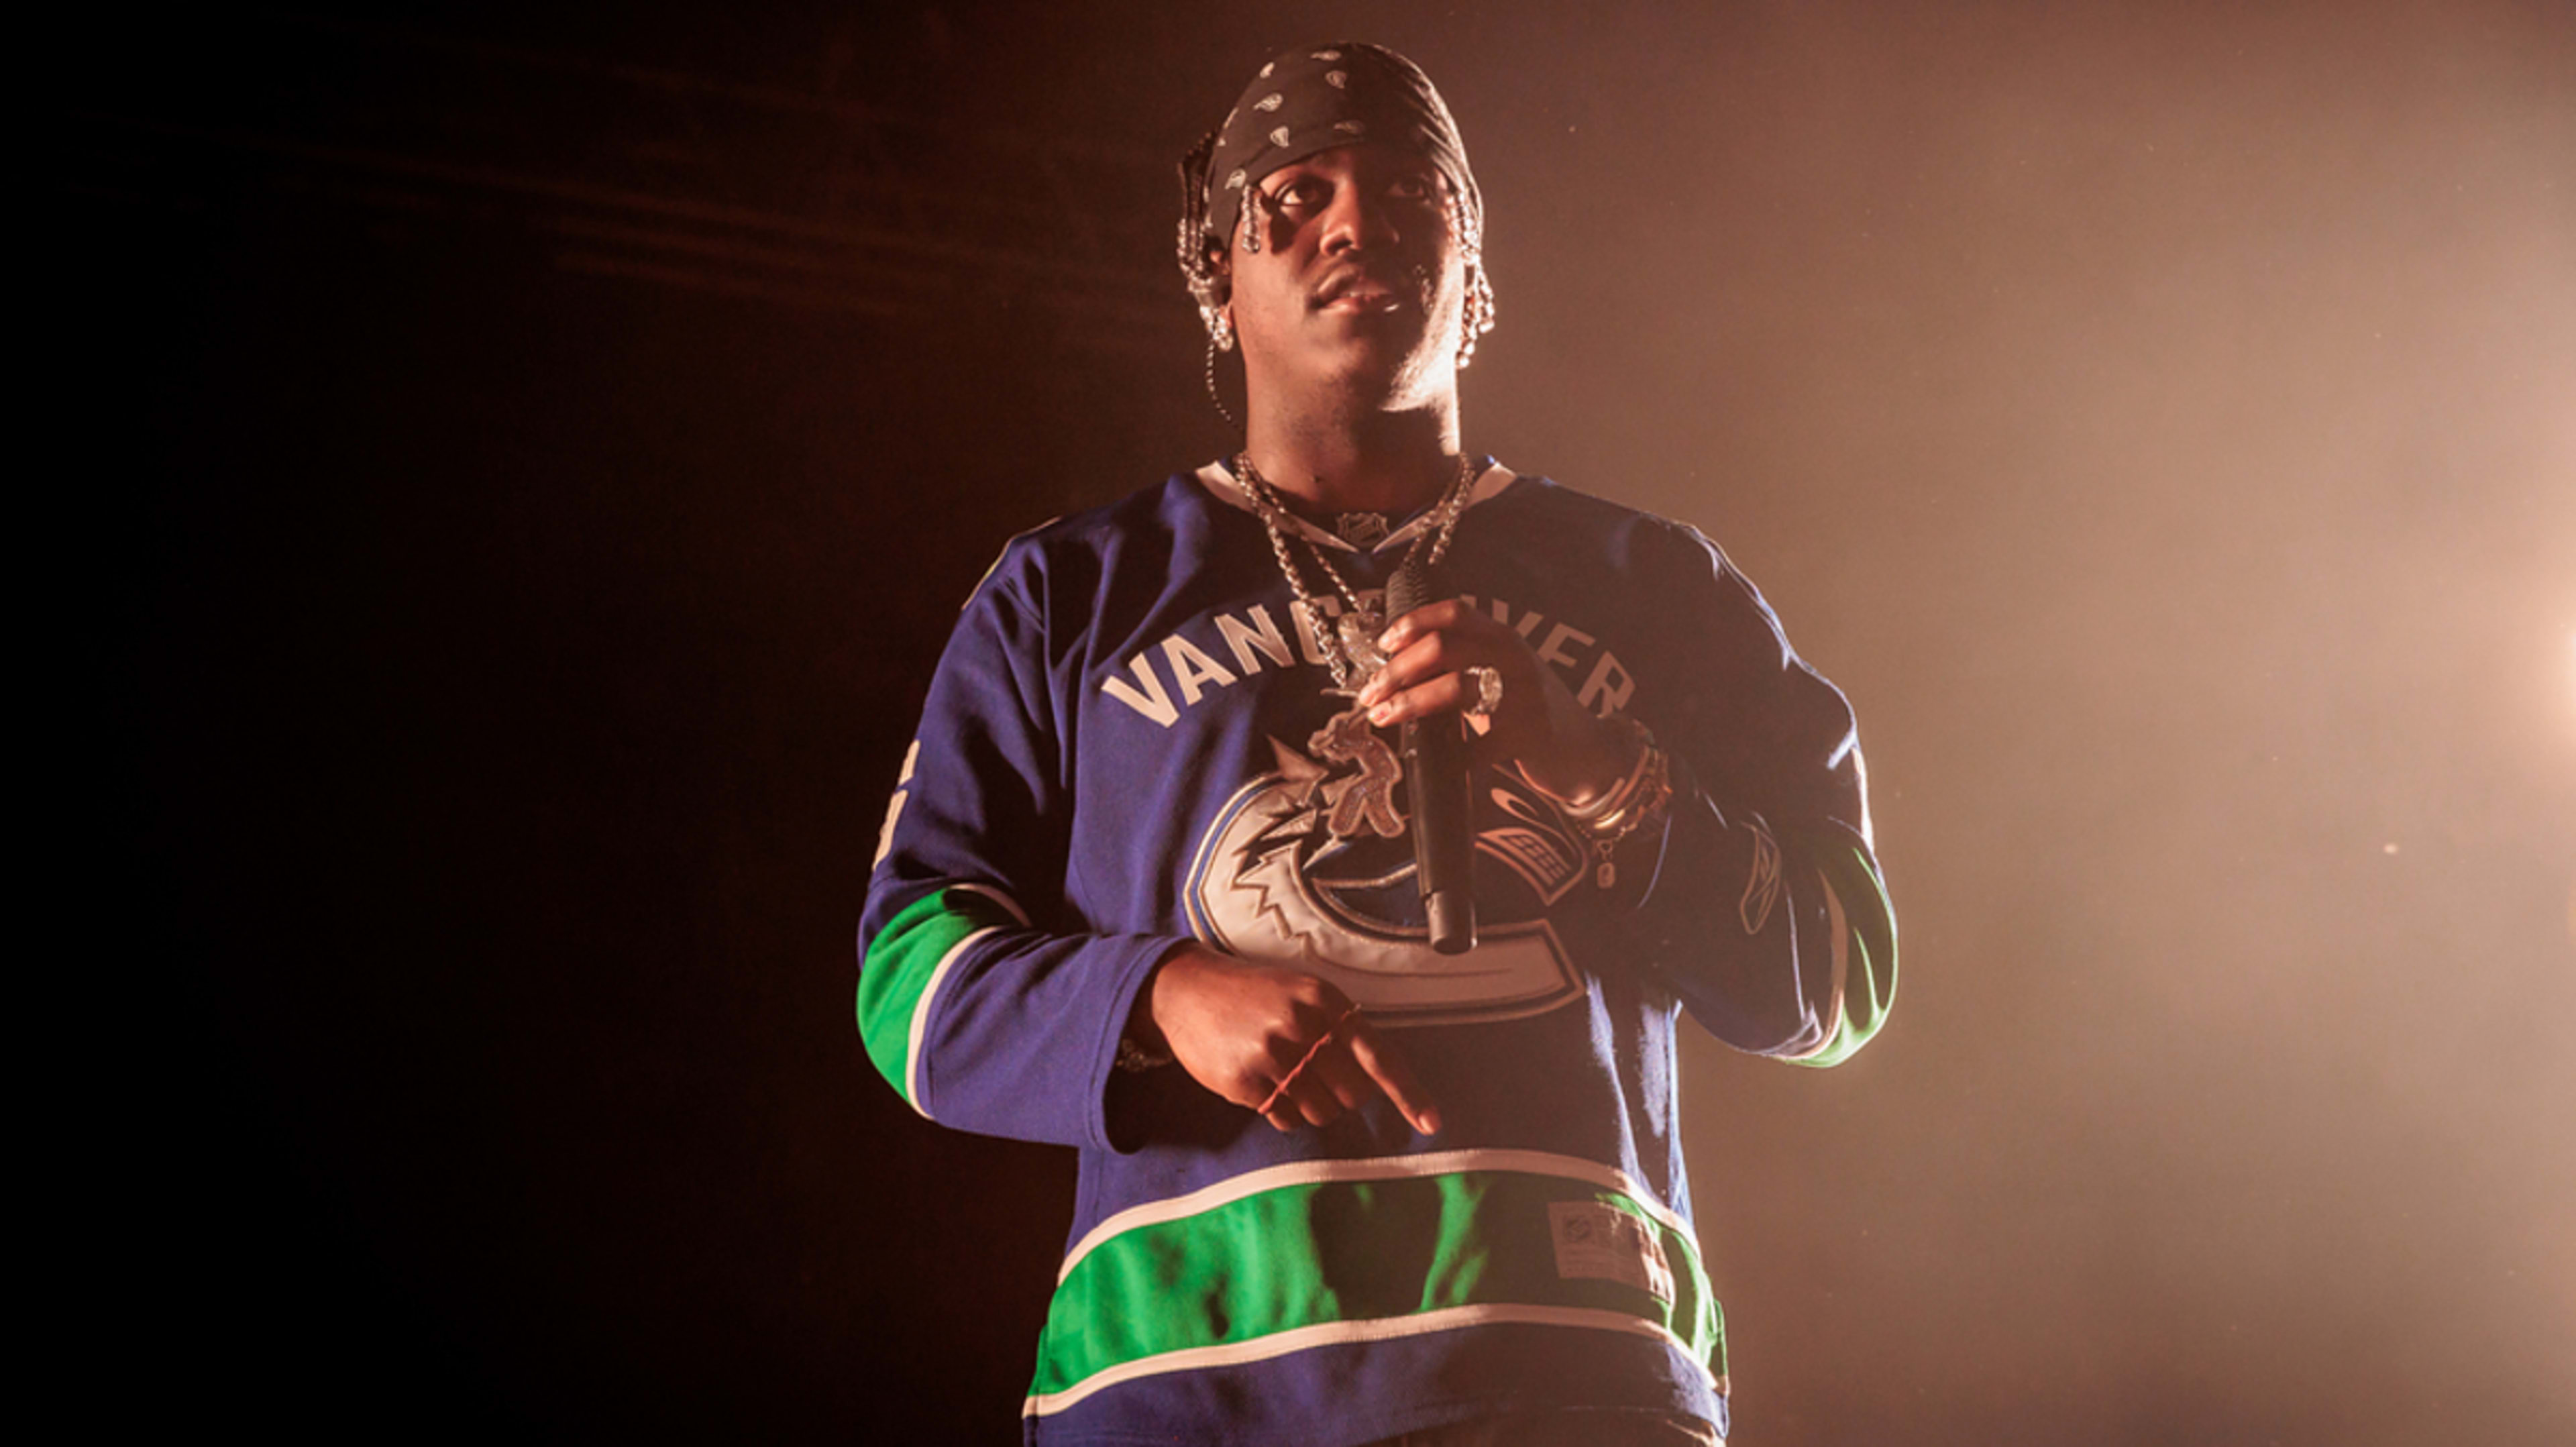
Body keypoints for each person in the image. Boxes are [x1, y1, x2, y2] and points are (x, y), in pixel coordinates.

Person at [857, 41, 1894, 1447]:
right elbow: (911, 978)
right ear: (1214, 275)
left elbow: (1838, 973)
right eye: (1292, 195)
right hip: (1190, 1382)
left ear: (1476, 278)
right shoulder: (1067, 592)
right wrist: (1154, 994)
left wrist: (1603, 771)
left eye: (1415, 191)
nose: (1356, 222)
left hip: (1573, 1373)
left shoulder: (1662, 586)